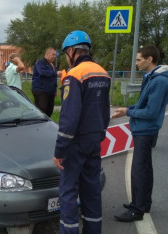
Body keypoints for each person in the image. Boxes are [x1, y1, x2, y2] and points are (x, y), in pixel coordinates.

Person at [53, 30, 111, 234]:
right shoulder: (102, 72)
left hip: (75, 143)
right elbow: (105, 110)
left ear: (71, 50)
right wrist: (100, 134)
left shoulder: (74, 75)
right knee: (92, 191)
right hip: (94, 141)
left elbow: (69, 117)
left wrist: (59, 150)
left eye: (65, 53)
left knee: (68, 191)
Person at [113, 45, 168, 222]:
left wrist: (129, 112)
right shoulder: (152, 77)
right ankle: (143, 203)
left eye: (138, 60)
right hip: (143, 129)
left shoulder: (159, 81)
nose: (136, 63)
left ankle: (137, 210)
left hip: (146, 130)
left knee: (139, 170)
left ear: (149, 59)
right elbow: (142, 104)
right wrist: (127, 109)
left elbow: (150, 112)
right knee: (144, 168)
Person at [31, 47, 61, 117]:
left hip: (50, 91)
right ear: (47, 54)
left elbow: (53, 78)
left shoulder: (52, 65)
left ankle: (47, 125)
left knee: (49, 110)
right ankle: (38, 125)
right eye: (53, 54)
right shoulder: (40, 62)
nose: (55, 56)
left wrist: (54, 90)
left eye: (55, 55)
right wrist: (55, 73)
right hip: (41, 90)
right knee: (42, 110)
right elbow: (42, 72)